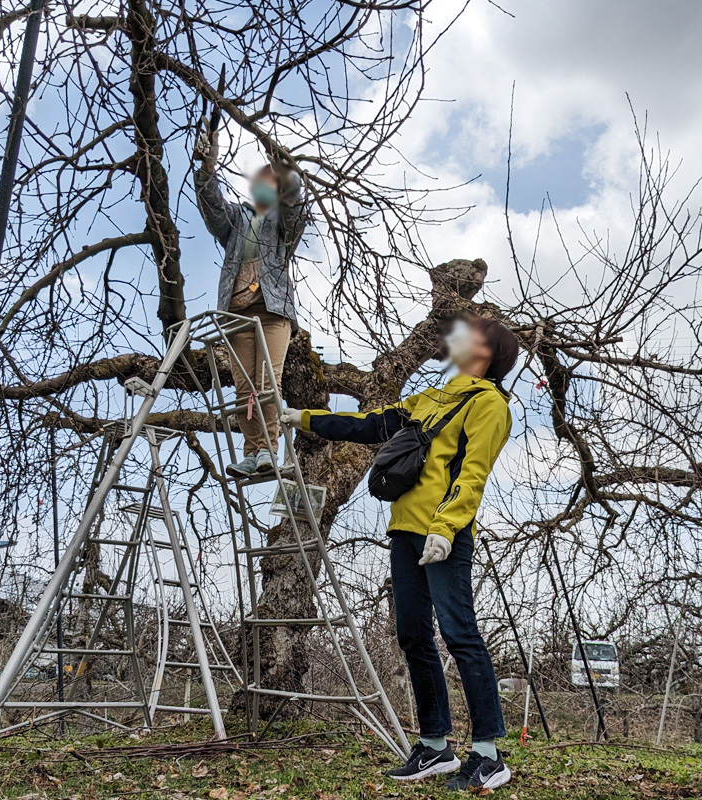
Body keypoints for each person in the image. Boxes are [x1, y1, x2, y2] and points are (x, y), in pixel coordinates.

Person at [280, 317, 520, 792]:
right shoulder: (429, 400)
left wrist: (448, 529)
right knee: (413, 636)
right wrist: (304, 418)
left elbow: (473, 475)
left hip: (442, 534)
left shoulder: (489, 404)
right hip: (404, 530)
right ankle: (435, 746)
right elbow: (371, 424)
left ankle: (489, 754)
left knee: (460, 635)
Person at [194, 121, 306, 478]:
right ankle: (251, 450)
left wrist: (284, 168)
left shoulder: (282, 224)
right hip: (238, 311)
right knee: (245, 387)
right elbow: (212, 209)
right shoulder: (238, 219)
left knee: (267, 381)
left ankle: (268, 450)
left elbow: (296, 207)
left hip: (273, 312)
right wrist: (207, 168)